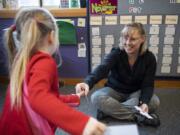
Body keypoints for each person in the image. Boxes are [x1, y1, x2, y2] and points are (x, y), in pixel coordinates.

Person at [0, 8, 106, 135]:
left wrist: (73, 98)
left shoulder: (24, 59)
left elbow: (40, 96)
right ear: (51, 36)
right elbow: (39, 98)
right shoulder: (44, 62)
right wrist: (83, 124)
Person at [76, 22, 160, 127]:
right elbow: (102, 68)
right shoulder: (116, 53)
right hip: (114, 90)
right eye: (125, 38)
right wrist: (87, 83)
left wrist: (144, 102)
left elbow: (148, 84)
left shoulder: (149, 58)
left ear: (142, 39)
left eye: (133, 39)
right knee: (96, 97)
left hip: (135, 93)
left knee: (154, 101)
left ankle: (108, 112)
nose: (128, 43)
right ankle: (138, 116)